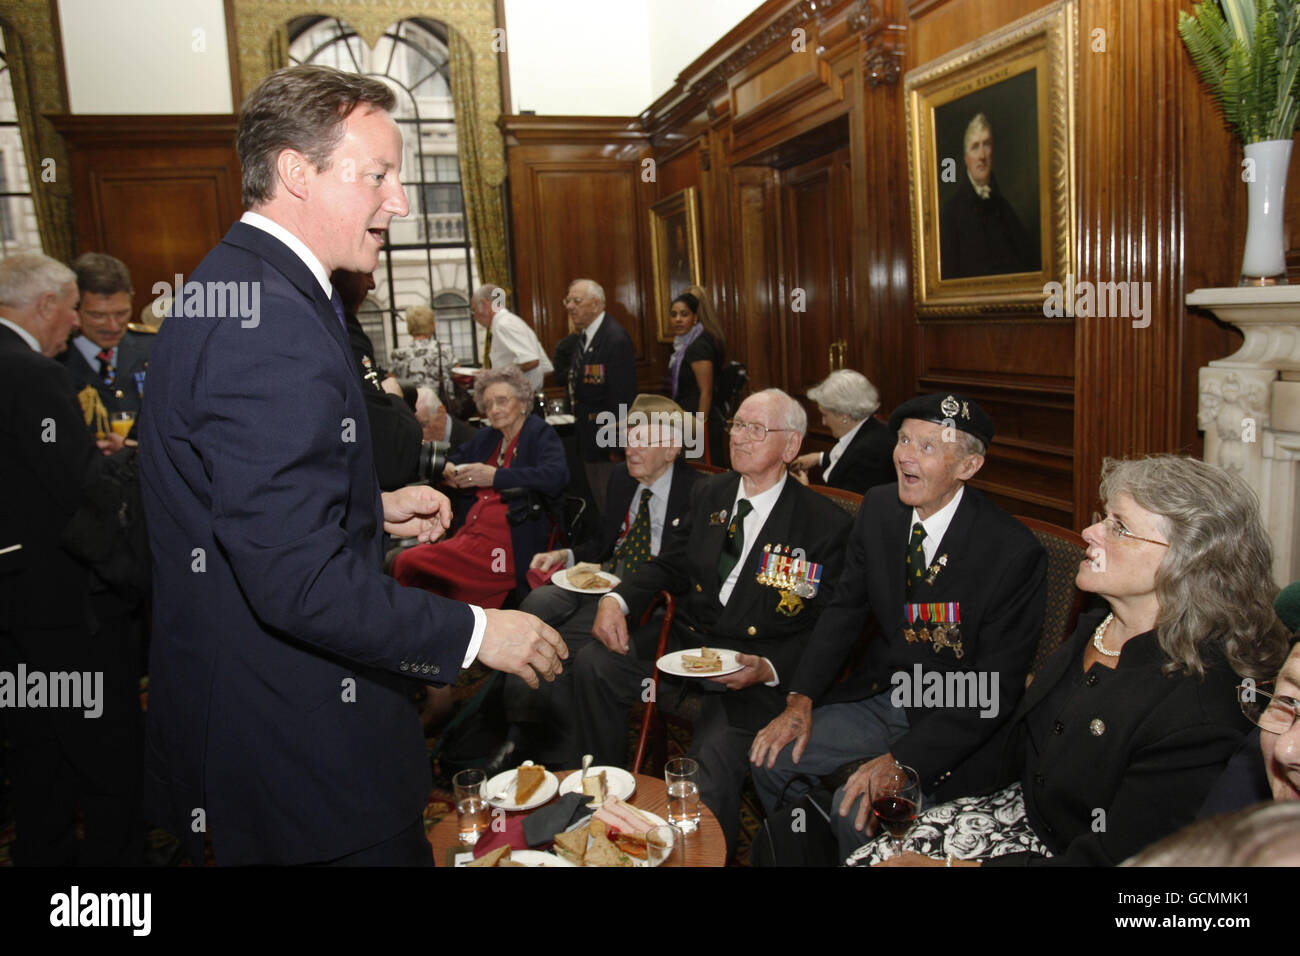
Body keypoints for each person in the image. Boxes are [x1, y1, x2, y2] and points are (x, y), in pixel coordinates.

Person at [138, 65, 565, 866]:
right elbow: (295, 582)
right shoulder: (267, 321)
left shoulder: (244, 286)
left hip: (262, 733)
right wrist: (478, 630)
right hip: (299, 757)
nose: (399, 201)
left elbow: (241, 498)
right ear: (297, 172)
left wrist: (366, 503)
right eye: (378, 175)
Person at [856, 455, 1290, 867]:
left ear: (1186, 562)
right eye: (1105, 517)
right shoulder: (1100, 623)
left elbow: (1113, 860)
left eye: (1119, 527)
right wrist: (922, 774)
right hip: (1011, 809)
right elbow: (1021, 742)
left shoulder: (1200, 712)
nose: (1089, 531)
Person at [749, 392, 1047, 861]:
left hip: (956, 723)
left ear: (968, 466)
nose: (905, 455)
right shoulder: (881, 508)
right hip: (885, 693)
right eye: (904, 439)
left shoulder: (1012, 553)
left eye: (927, 447)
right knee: (770, 759)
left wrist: (903, 761)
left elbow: (996, 689)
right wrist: (799, 699)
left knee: (861, 811)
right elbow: (845, 609)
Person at [572, 388, 853, 854]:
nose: (739, 438)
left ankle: (703, 857)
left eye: (756, 429)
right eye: (736, 425)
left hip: (751, 673)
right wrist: (617, 600)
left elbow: (828, 626)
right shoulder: (711, 493)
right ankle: (606, 801)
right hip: (688, 647)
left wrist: (770, 668)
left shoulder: (822, 526)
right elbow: (671, 563)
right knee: (594, 664)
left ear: (790, 447)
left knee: (704, 767)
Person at [0, 252, 144, 865]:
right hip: (63, 610)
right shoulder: (33, 374)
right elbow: (81, 494)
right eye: (72, 312)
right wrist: (135, 581)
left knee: (37, 760)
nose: (77, 329)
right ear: (47, 305)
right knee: (110, 765)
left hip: (12, 609)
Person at [496, 394, 702, 768]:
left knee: (583, 654)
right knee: (539, 627)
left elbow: (684, 569)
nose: (630, 448)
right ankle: (535, 744)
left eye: (644, 440)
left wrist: (621, 596)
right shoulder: (623, 479)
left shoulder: (698, 493)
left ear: (672, 449)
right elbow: (602, 542)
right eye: (629, 437)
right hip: (606, 585)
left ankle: (599, 768)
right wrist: (568, 555)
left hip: (657, 604)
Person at [392, 365, 568, 608]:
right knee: (411, 565)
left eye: (502, 401)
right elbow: (455, 459)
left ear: (523, 403)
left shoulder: (540, 433)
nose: (494, 410)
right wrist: (449, 471)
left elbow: (555, 477)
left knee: (407, 563)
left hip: (512, 542)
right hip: (472, 534)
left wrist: (496, 477)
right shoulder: (489, 436)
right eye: (488, 404)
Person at [331, 269, 426, 492]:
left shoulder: (400, 354)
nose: (373, 285)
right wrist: (394, 396)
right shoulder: (344, 332)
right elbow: (392, 455)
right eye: (367, 274)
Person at [565, 277, 637, 516]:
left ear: (596, 305)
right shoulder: (585, 337)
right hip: (589, 437)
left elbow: (622, 397)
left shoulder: (614, 339)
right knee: (599, 503)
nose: (570, 306)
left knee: (613, 504)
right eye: (568, 301)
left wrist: (617, 444)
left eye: (577, 301)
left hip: (608, 441)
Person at [58, 252, 154, 428]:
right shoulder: (56, 359)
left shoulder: (152, 347)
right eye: (98, 315)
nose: (113, 327)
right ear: (74, 309)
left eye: (121, 313)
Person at [940, 113, 1037, 279]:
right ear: (966, 158)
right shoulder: (950, 214)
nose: (982, 156)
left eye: (986, 144)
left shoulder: (1005, 210)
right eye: (975, 147)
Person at [789, 369, 894, 494]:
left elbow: (845, 508)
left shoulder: (867, 455)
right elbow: (847, 456)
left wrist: (805, 490)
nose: (824, 422)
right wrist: (819, 458)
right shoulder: (875, 428)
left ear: (843, 415)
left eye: (825, 415)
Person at [666, 286, 726, 466]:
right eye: (674, 314)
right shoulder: (683, 345)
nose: (678, 319)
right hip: (685, 419)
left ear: (695, 318)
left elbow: (706, 392)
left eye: (684, 314)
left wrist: (699, 429)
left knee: (702, 474)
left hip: (698, 423)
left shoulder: (698, 347)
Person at [472, 284, 552, 393]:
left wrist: (495, 374)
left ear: (485, 305)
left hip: (521, 401)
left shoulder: (503, 325)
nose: (474, 316)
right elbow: (546, 367)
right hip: (527, 396)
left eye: (474, 310)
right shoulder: (511, 321)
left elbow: (531, 361)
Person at [389, 304, 456, 402]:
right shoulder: (445, 350)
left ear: (409, 327)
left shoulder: (398, 354)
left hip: (411, 408)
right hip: (440, 406)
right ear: (432, 325)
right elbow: (459, 375)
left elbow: (392, 384)